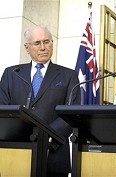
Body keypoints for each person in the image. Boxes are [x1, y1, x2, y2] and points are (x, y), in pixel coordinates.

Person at [0, 26, 81, 177]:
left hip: (54, 156)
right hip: (15, 154)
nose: (43, 47)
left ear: (52, 43)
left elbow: (71, 113)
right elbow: (3, 111)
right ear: (27, 47)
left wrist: (45, 137)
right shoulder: (11, 74)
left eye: (47, 42)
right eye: (37, 43)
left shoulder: (69, 76)